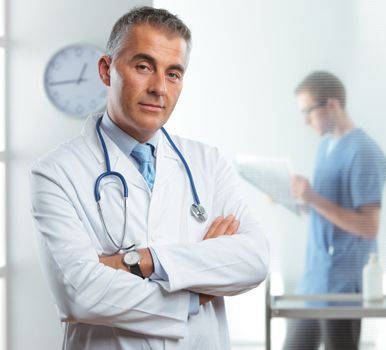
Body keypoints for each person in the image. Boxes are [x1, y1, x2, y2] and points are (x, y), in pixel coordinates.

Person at [30, 6, 269, 350]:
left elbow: (254, 259)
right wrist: (195, 292)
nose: (159, 87)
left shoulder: (208, 162)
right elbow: (78, 294)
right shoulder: (55, 172)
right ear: (106, 70)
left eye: (174, 74)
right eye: (143, 66)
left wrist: (143, 261)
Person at [284, 71, 386, 350]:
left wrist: (313, 198)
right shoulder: (325, 146)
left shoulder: (364, 152)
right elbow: (326, 211)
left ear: (332, 104)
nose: (305, 121)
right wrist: (296, 200)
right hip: (315, 278)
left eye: (308, 111)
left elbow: (368, 226)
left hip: (343, 283)